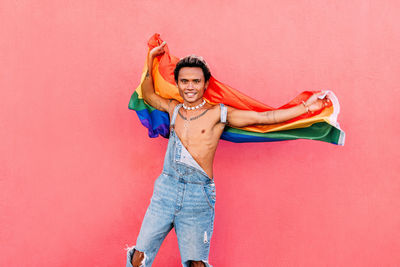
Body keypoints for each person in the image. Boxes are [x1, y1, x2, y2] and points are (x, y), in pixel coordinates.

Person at [127, 41, 329, 267]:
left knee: (197, 264)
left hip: (198, 195)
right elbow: (148, 93)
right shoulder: (174, 109)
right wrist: (150, 58)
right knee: (139, 257)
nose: (190, 86)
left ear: (205, 85)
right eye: (184, 81)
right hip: (165, 190)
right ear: (178, 83)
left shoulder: (218, 113)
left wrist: (306, 108)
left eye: (196, 81)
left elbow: (266, 118)